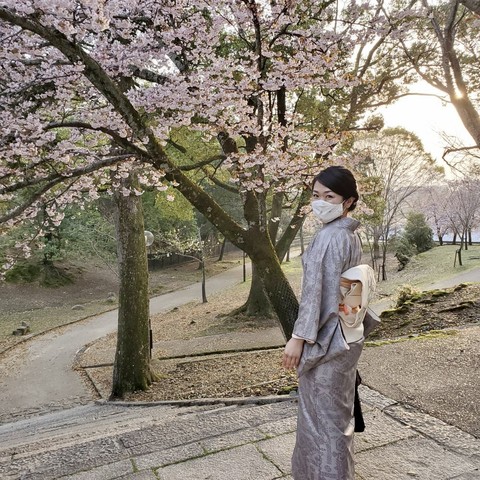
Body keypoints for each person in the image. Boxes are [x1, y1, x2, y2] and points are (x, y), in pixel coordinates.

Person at [282, 165, 374, 480]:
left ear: (347, 201)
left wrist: (299, 337)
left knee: (322, 423)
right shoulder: (349, 235)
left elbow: (314, 295)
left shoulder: (328, 238)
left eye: (329, 196)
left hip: (328, 340)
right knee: (336, 420)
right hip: (347, 336)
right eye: (316, 195)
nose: (320, 202)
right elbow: (350, 293)